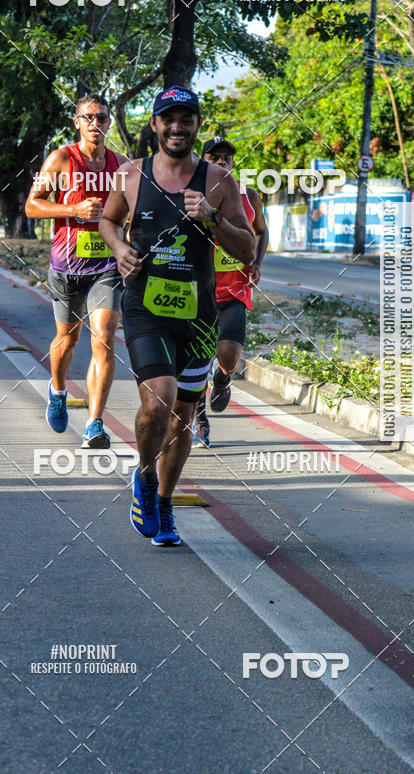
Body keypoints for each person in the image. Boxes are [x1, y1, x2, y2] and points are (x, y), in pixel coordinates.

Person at [100, 86, 255, 546]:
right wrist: (119, 248)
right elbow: (109, 221)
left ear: (196, 126)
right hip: (145, 307)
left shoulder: (219, 182)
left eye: (186, 119)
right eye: (168, 118)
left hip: (199, 314)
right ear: (154, 125)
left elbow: (246, 248)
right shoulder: (130, 175)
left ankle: (165, 503)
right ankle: (145, 478)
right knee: (159, 401)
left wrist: (213, 218)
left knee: (185, 415)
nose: (176, 127)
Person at [25, 94, 126, 447]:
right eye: (88, 118)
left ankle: (95, 424)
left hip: (107, 267)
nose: (95, 124)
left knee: (105, 336)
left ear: (110, 122)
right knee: (68, 338)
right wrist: (73, 210)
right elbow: (32, 206)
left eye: (101, 117)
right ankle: (57, 389)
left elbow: (133, 211)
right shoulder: (61, 159)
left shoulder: (122, 165)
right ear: (77, 122)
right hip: (66, 265)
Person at [193, 136, 269, 448]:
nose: (222, 162)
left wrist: (257, 263)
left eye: (227, 158)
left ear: (234, 164)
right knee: (194, 364)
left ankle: (222, 379)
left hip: (234, 290)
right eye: (215, 157)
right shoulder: (191, 199)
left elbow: (261, 232)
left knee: (229, 356)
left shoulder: (249, 196)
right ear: (202, 162)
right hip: (197, 293)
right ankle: (199, 419)